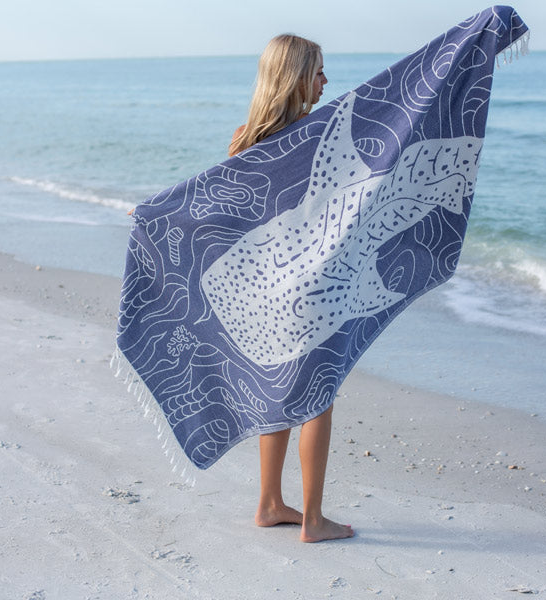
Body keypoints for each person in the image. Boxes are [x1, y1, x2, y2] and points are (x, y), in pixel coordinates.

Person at [229, 34, 352, 543]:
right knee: (318, 399)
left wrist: (156, 213)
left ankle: (269, 504)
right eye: (318, 71)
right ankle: (314, 520)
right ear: (296, 77)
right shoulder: (314, 134)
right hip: (311, 288)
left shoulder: (244, 139)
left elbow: (219, 210)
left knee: (276, 394)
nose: (325, 81)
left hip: (267, 289)